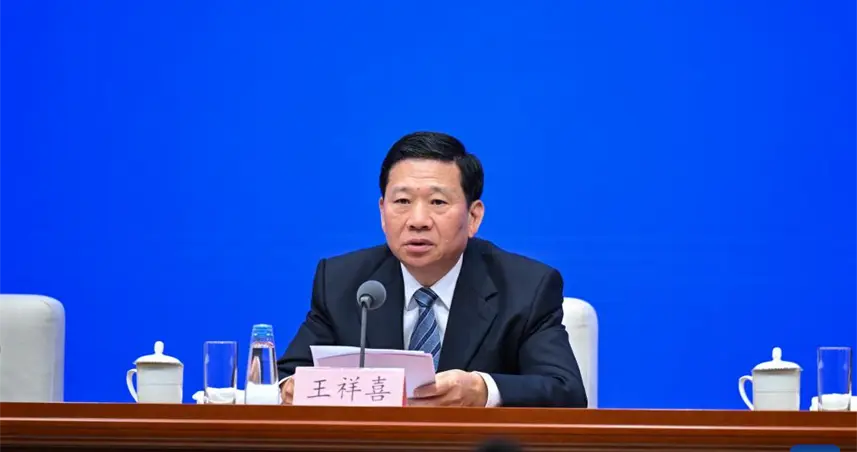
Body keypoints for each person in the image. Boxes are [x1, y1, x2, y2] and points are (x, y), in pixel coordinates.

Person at [276, 131, 587, 408]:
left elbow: (566, 390)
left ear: (473, 217)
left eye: (438, 202)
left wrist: (483, 390)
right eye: (402, 201)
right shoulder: (342, 282)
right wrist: (289, 388)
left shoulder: (526, 287)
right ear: (383, 212)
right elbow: (285, 377)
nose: (418, 220)